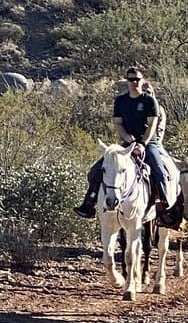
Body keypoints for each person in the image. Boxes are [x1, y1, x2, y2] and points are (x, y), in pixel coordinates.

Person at [74, 67, 173, 223]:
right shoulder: (120, 101)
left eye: (137, 79)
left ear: (142, 81)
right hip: (127, 143)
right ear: (127, 81)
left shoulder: (149, 100)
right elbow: (118, 123)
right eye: (131, 79)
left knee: (159, 170)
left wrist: (141, 144)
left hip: (148, 142)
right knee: (98, 169)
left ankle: (164, 208)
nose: (134, 82)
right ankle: (89, 203)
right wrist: (128, 139)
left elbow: (152, 124)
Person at [141, 80, 167, 146]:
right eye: (143, 91)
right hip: (134, 142)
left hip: (152, 142)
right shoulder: (133, 108)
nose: (146, 94)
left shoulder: (159, 110)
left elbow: (159, 130)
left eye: (148, 92)